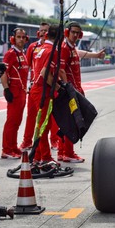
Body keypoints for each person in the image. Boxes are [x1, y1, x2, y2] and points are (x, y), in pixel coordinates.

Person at [58, 21, 105, 163]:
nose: (75, 35)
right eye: (73, 32)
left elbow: (80, 54)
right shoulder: (65, 48)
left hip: (75, 90)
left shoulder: (71, 48)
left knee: (69, 122)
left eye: (78, 33)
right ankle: (68, 153)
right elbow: (60, 70)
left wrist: (96, 55)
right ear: (67, 32)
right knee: (72, 123)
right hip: (71, 92)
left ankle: (63, 152)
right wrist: (68, 88)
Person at [29, 24, 61, 165]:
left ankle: (37, 156)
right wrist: (59, 88)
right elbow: (45, 73)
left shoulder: (40, 48)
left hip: (37, 89)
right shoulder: (52, 50)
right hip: (43, 90)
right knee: (44, 126)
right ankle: (46, 158)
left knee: (42, 125)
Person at [20, 22, 50, 151]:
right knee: (31, 116)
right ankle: (26, 141)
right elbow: (27, 67)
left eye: (46, 30)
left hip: (45, 88)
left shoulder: (51, 47)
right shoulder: (32, 47)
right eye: (41, 30)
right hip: (33, 86)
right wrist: (27, 84)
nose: (43, 32)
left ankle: (52, 142)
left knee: (47, 118)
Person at [0, 28, 30, 159]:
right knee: (11, 122)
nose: (21, 39)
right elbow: (3, 72)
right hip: (14, 92)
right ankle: (6, 149)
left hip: (22, 92)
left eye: (23, 37)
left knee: (17, 121)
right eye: (19, 37)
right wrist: (6, 89)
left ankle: (13, 146)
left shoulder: (23, 54)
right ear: (13, 38)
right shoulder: (10, 54)